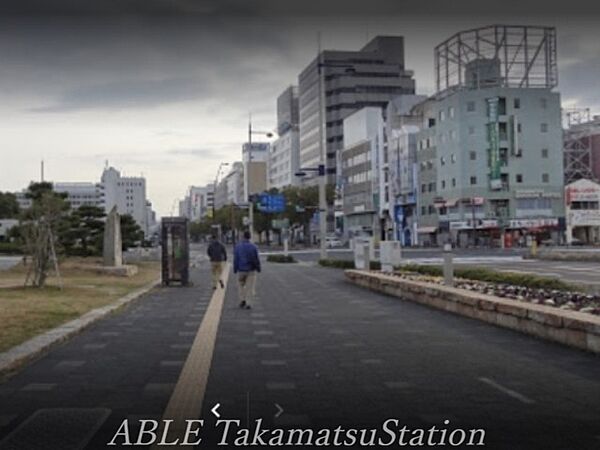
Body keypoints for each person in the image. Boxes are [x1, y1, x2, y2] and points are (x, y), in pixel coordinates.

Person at [233, 230, 261, 309]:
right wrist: (258, 268)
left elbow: (236, 259)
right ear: (250, 237)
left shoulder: (238, 246)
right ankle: (249, 303)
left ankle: (242, 300)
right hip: (251, 270)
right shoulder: (253, 247)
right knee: (250, 287)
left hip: (241, 270)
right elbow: (256, 259)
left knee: (240, 285)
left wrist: (235, 268)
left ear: (243, 237)